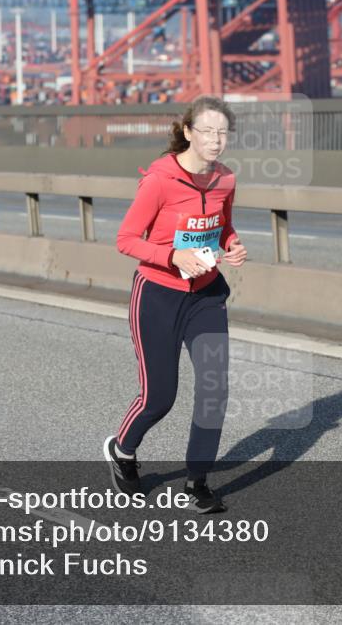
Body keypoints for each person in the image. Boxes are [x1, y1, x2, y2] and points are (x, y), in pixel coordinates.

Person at [104, 95, 247, 514]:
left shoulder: (226, 180)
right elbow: (126, 239)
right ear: (188, 132)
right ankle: (123, 451)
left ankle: (195, 482)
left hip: (205, 295)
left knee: (214, 390)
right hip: (157, 295)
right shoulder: (160, 179)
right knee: (159, 397)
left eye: (222, 132)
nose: (216, 140)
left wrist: (233, 244)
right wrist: (171, 257)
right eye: (207, 131)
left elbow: (224, 227)